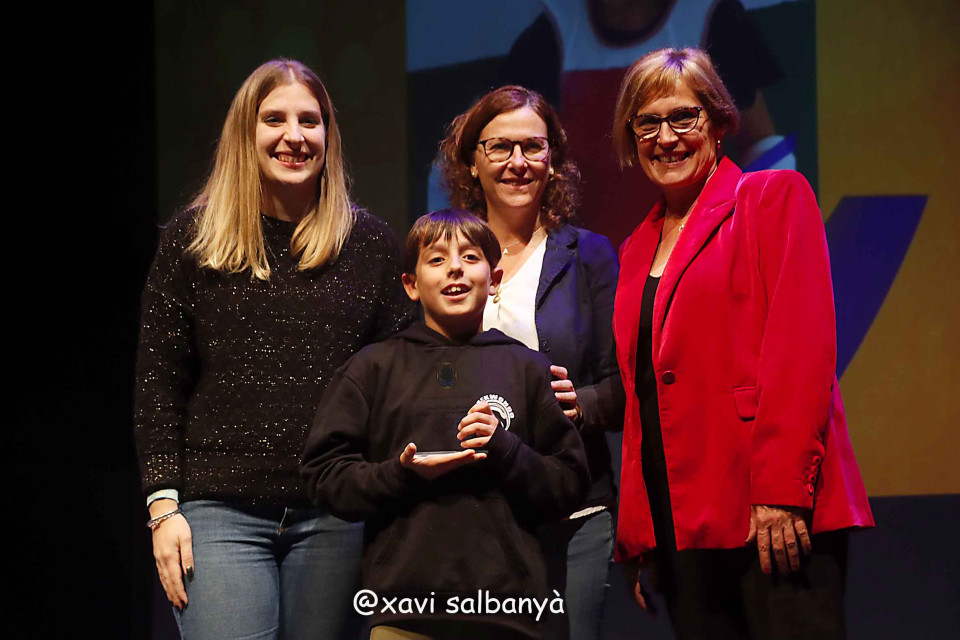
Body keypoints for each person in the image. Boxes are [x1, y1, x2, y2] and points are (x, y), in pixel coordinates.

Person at [134, 58, 413, 640]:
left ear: (328, 135)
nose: (294, 136)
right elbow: (158, 385)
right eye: (274, 119)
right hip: (219, 513)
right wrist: (163, 509)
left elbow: (402, 379)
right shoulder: (193, 240)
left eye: (310, 120)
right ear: (246, 132)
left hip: (336, 514)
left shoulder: (369, 245)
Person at [610, 47, 874, 639]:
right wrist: (640, 531)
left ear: (719, 121)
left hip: (771, 513)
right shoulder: (634, 249)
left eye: (683, 117)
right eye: (646, 123)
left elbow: (801, 354)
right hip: (681, 524)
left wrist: (781, 494)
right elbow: (641, 399)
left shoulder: (772, 198)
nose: (665, 138)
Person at [300, 209, 591, 640]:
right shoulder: (373, 368)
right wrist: (399, 474)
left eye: (470, 257)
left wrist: (506, 450)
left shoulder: (528, 368)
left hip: (507, 612)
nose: (455, 267)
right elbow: (324, 476)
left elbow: (569, 483)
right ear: (411, 285)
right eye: (436, 259)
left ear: (494, 280)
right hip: (403, 611)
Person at [436, 86, 624, 640]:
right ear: (472, 161)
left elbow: (626, 386)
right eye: (500, 147)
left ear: (553, 159)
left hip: (573, 514)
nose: (517, 162)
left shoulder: (589, 256)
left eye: (533, 147)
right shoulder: (442, 256)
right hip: (469, 513)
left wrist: (581, 404)